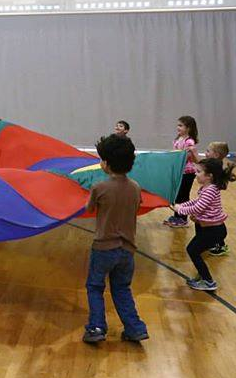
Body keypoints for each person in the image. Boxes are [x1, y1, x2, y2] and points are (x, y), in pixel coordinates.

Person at [83, 134, 148, 344]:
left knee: (95, 287)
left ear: (107, 164)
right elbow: (135, 205)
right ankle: (135, 328)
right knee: (121, 289)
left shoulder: (99, 188)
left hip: (103, 247)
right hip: (127, 249)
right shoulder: (136, 187)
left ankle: (96, 327)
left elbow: (89, 208)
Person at [174, 159, 236, 291]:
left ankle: (208, 281)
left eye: (198, 171)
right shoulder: (206, 188)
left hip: (213, 231)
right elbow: (195, 202)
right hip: (205, 228)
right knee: (197, 251)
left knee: (192, 250)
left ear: (209, 176)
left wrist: (179, 210)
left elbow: (197, 208)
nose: (195, 174)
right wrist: (181, 205)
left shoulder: (210, 190)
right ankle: (202, 276)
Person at [164, 116, 199, 228]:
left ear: (188, 128)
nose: (178, 127)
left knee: (183, 195)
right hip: (179, 171)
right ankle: (177, 216)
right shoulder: (178, 139)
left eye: (181, 125)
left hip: (187, 172)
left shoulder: (189, 141)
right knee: (177, 195)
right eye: (178, 125)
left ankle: (182, 219)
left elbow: (186, 157)